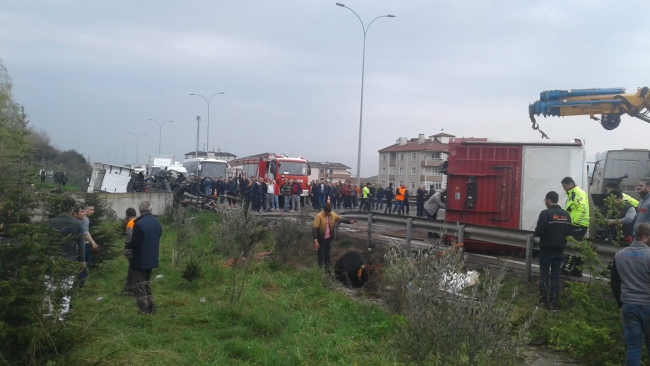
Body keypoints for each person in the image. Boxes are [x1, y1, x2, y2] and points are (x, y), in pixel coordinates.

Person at [611, 223, 650, 365]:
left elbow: (615, 283)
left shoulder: (619, 255)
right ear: (645, 237)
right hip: (647, 305)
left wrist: (620, 305)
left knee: (633, 348)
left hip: (628, 305)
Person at [47, 199, 86, 320]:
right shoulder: (77, 224)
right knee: (66, 291)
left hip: (52, 260)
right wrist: (82, 262)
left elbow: (45, 243)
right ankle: (61, 318)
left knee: (49, 289)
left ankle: (48, 315)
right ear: (71, 209)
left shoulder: (50, 222)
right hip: (70, 260)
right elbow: (81, 246)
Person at [534, 191, 571, 311]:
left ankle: (544, 302)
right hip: (559, 250)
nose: (545, 202)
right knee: (555, 276)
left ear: (549, 200)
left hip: (546, 250)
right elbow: (568, 231)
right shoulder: (566, 214)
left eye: (545, 200)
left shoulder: (545, 214)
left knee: (544, 276)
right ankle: (555, 303)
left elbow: (539, 231)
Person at [125, 201, 162, 315]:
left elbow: (136, 242)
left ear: (140, 211)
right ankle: (151, 307)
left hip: (139, 258)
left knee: (138, 285)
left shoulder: (139, 224)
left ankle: (143, 310)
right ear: (151, 210)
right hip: (152, 257)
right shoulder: (157, 222)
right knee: (146, 283)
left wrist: (127, 245)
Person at [312, 203, 357, 273]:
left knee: (327, 254)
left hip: (328, 238)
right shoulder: (319, 216)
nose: (329, 213)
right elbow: (315, 228)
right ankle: (320, 270)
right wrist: (315, 239)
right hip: (321, 239)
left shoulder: (333, 215)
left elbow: (340, 219)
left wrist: (350, 221)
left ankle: (327, 270)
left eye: (330, 212)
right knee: (321, 255)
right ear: (325, 211)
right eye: (328, 212)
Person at [560, 177, 590, 277]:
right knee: (578, 247)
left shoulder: (577, 193)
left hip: (578, 224)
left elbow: (582, 208)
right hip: (579, 224)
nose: (564, 188)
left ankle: (567, 269)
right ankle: (577, 270)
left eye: (564, 186)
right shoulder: (572, 193)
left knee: (572, 246)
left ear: (570, 185)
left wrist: (575, 223)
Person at [79, 203, 99, 289]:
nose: (93, 212)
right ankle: (81, 285)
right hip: (84, 244)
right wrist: (93, 243)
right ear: (85, 210)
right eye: (91, 210)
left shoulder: (78, 218)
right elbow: (85, 232)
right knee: (85, 264)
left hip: (79, 244)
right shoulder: (85, 219)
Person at [122, 207, 137, 295]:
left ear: (127, 215)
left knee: (131, 269)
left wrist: (127, 250)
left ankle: (129, 288)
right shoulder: (137, 220)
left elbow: (129, 238)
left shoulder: (130, 223)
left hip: (132, 250)